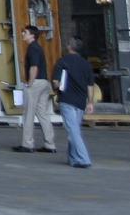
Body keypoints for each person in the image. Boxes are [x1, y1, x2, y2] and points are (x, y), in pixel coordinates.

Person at [52, 37, 95, 169]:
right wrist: (90, 102)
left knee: (73, 131)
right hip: (81, 101)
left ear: (69, 47)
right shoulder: (86, 64)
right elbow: (90, 85)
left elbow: (56, 82)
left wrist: (57, 88)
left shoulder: (62, 61)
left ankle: (83, 158)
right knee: (74, 129)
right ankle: (72, 158)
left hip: (67, 100)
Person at [13, 25, 56, 154]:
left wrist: (29, 83)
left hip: (35, 83)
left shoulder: (32, 48)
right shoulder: (38, 48)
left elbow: (34, 67)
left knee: (28, 114)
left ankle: (27, 144)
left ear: (32, 35)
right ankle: (50, 144)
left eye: (25, 32)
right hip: (44, 82)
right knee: (42, 114)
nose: (22, 34)